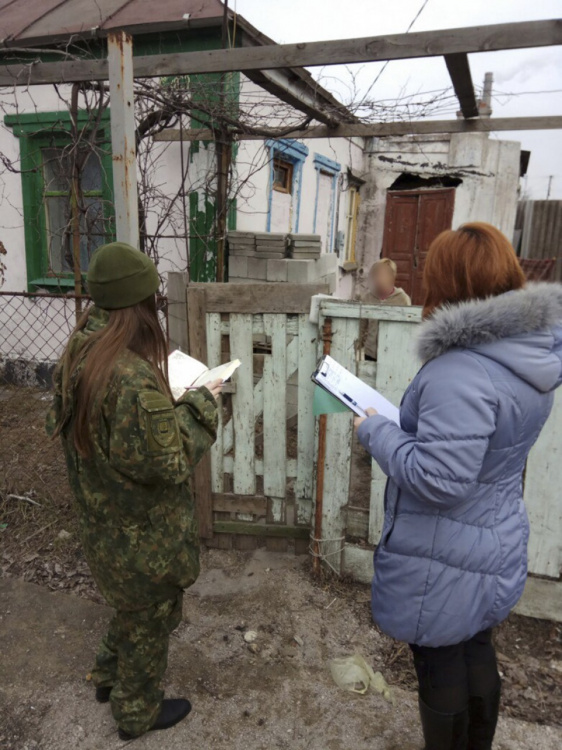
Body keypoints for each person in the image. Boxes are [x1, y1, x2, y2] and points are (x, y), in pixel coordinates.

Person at [354, 223, 562, 750]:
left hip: (445, 550)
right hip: (493, 534)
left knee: (440, 658)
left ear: (449, 284)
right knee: (474, 647)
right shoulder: (526, 353)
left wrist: (374, 429)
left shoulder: (461, 369)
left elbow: (438, 478)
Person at [46, 242, 221, 740]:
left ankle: (106, 674)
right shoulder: (128, 378)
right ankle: (135, 709)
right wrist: (203, 403)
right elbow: (168, 461)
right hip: (143, 538)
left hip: (104, 527)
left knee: (132, 607)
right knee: (152, 615)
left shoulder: (80, 350)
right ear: (139, 307)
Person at [360, 257, 411, 360]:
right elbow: (361, 327)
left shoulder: (402, 299)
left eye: (382, 275)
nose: (378, 279)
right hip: (370, 353)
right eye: (376, 275)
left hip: (393, 352)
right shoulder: (367, 298)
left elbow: (407, 330)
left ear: (392, 277)